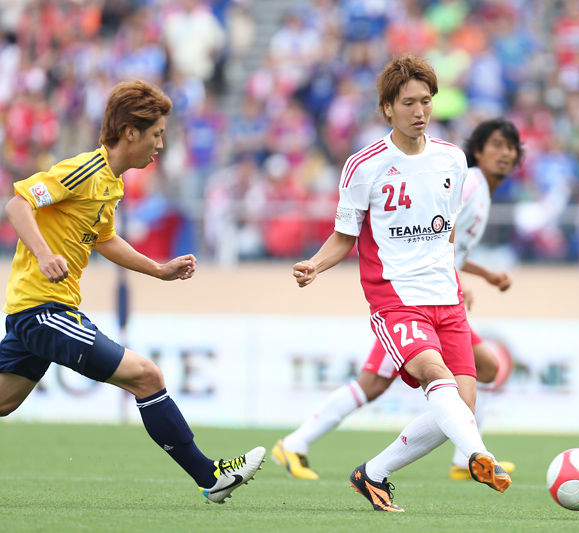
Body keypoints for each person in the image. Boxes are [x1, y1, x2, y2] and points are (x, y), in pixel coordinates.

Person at [0, 79, 265, 504]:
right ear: (129, 132)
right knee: (147, 376)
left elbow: (105, 239)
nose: (160, 144)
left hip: (37, 310)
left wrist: (158, 270)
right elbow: (17, 204)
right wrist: (45, 254)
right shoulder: (84, 171)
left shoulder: (112, 183)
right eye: (156, 134)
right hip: (43, 310)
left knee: (4, 402)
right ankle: (210, 476)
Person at [290, 55, 512, 512]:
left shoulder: (451, 159)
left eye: (426, 101)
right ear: (387, 107)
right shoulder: (363, 165)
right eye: (408, 102)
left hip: (446, 298)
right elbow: (344, 237)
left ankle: (373, 474)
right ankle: (479, 456)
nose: (419, 111)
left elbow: (447, 231)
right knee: (434, 375)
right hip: (395, 297)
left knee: (460, 405)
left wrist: (460, 276)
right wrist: (314, 264)